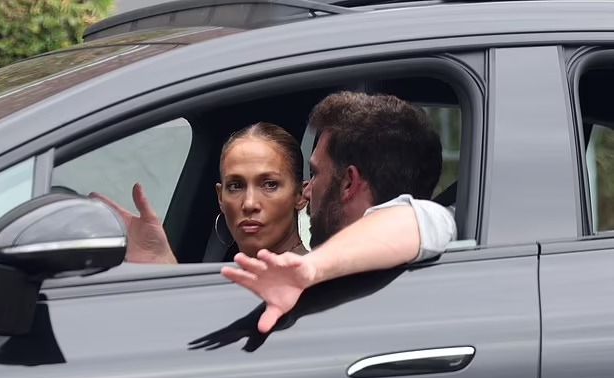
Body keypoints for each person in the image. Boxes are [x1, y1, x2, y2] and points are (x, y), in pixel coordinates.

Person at [220, 91, 457, 333]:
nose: (308, 190)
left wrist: (311, 269)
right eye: (235, 186)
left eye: (315, 173)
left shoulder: (435, 221)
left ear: (348, 183)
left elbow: (420, 219)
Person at [90, 122, 309, 263]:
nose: (249, 203)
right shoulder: (236, 274)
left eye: (269, 184)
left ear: (300, 194)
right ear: (220, 197)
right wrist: (162, 263)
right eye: (236, 186)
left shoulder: (313, 282)